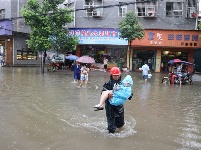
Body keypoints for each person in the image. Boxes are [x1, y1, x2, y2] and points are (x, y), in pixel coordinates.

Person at [97, 67, 133, 133]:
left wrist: (129, 95)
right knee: (111, 128)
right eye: (115, 75)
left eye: (118, 75)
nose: (116, 76)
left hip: (119, 106)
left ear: (120, 75)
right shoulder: (107, 84)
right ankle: (110, 139)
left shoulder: (123, 84)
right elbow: (102, 94)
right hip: (109, 106)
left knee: (120, 124)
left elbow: (129, 95)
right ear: (111, 75)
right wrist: (108, 96)